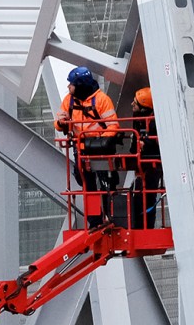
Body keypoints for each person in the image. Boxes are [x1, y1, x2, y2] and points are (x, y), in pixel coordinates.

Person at [54, 67, 121, 228]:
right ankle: (95, 222)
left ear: (81, 85)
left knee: (106, 182)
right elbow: (58, 124)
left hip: (101, 148)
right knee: (86, 183)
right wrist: (61, 122)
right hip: (81, 148)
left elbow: (113, 125)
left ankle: (110, 216)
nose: (69, 87)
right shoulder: (69, 100)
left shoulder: (101, 100)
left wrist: (101, 142)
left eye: (72, 84)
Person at [131, 85, 162, 230]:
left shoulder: (155, 122)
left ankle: (145, 227)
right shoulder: (139, 120)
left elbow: (158, 143)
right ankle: (139, 226)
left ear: (143, 106)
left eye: (135, 103)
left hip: (152, 165)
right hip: (142, 164)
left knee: (147, 197)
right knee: (138, 197)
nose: (132, 104)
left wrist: (145, 143)